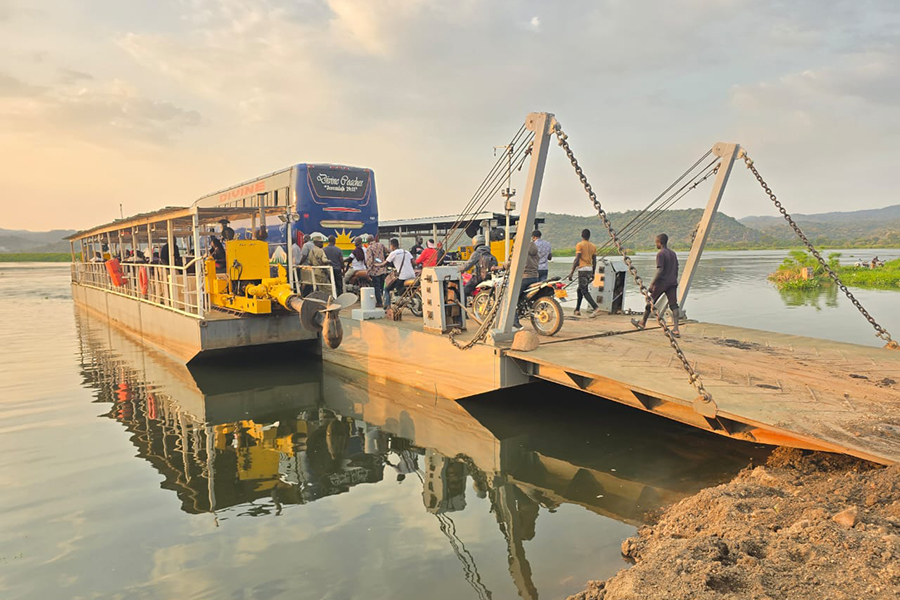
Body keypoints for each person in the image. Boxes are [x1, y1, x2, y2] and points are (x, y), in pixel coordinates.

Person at [632, 233, 681, 337]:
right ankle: (676, 329)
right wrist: (673, 279)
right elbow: (677, 268)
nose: (656, 245)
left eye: (656, 243)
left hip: (662, 283)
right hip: (672, 283)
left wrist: (652, 284)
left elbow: (660, 270)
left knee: (650, 302)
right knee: (674, 305)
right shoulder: (673, 253)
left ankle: (643, 323)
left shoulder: (661, 254)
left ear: (660, 243)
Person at [568, 229, 599, 316]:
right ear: (589, 236)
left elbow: (577, 259)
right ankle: (577, 309)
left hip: (582, 270)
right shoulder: (593, 246)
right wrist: (593, 273)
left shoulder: (579, 245)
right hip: (589, 270)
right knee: (580, 290)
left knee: (584, 290)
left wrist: (571, 272)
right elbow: (594, 260)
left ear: (582, 235)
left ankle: (595, 307)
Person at [384, 238, 416, 307]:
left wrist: (376, 264)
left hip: (403, 277)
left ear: (392, 246)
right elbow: (414, 263)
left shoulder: (393, 253)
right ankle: (401, 298)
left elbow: (385, 263)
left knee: (387, 289)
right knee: (399, 287)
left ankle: (387, 306)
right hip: (412, 275)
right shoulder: (406, 252)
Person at [365, 234, 388, 307]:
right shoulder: (381, 245)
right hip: (383, 269)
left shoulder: (369, 248)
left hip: (375, 271)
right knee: (382, 287)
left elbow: (369, 260)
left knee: (376, 287)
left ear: (368, 242)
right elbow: (388, 251)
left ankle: (379, 302)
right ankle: (384, 301)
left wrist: (368, 271)